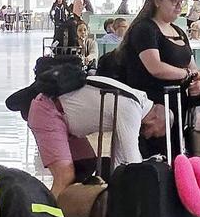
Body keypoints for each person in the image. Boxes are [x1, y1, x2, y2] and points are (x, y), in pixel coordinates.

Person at [27, 76, 169, 196]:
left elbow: (119, 161)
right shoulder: (132, 108)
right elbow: (131, 160)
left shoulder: (135, 99)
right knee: (65, 176)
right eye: (156, 132)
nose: (149, 136)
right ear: (155, 119)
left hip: (64, 117)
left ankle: (69, 215)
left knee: (87, 165)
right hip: (50, 111)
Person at [118, 0, 200, 156]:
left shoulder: (179, 32)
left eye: (182, 1)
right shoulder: (145, 29)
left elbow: (195, 69)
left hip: (178, 107)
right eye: (173, 0)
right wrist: (187, 74)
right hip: (153, 109)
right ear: (157, 1)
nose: (178, 5)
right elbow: (155, 67)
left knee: (178, 157)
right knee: (154, 160)